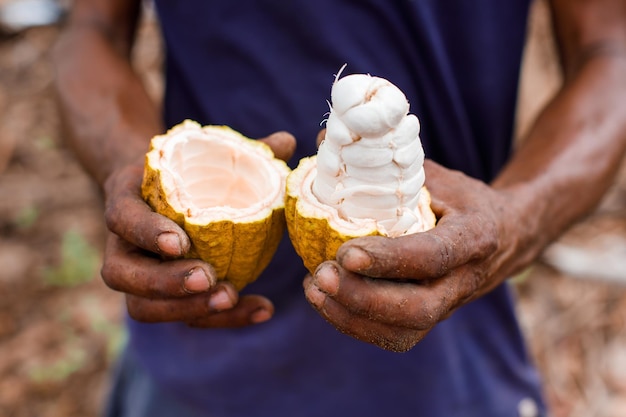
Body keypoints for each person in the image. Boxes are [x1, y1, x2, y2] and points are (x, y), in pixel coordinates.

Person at [52, 0, 626, 416]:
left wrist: (517, 217)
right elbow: (93, 25)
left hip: (446, 358)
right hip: (199, 364)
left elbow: (610, 46)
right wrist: (137, 171)